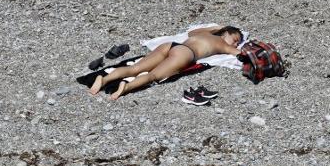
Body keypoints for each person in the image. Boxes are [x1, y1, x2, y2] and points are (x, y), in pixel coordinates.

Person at [88, 25, 245, 101]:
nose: (235, 44)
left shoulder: (203, 33)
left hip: (170, 45)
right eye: (235, 39)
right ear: (226, 33)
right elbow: (240, 54)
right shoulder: (222, 44)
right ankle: (125, 87)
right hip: (185, 54)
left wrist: (215, 28)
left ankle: (104, 78)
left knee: (134, 68)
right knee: (153, 75)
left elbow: (190, 32)